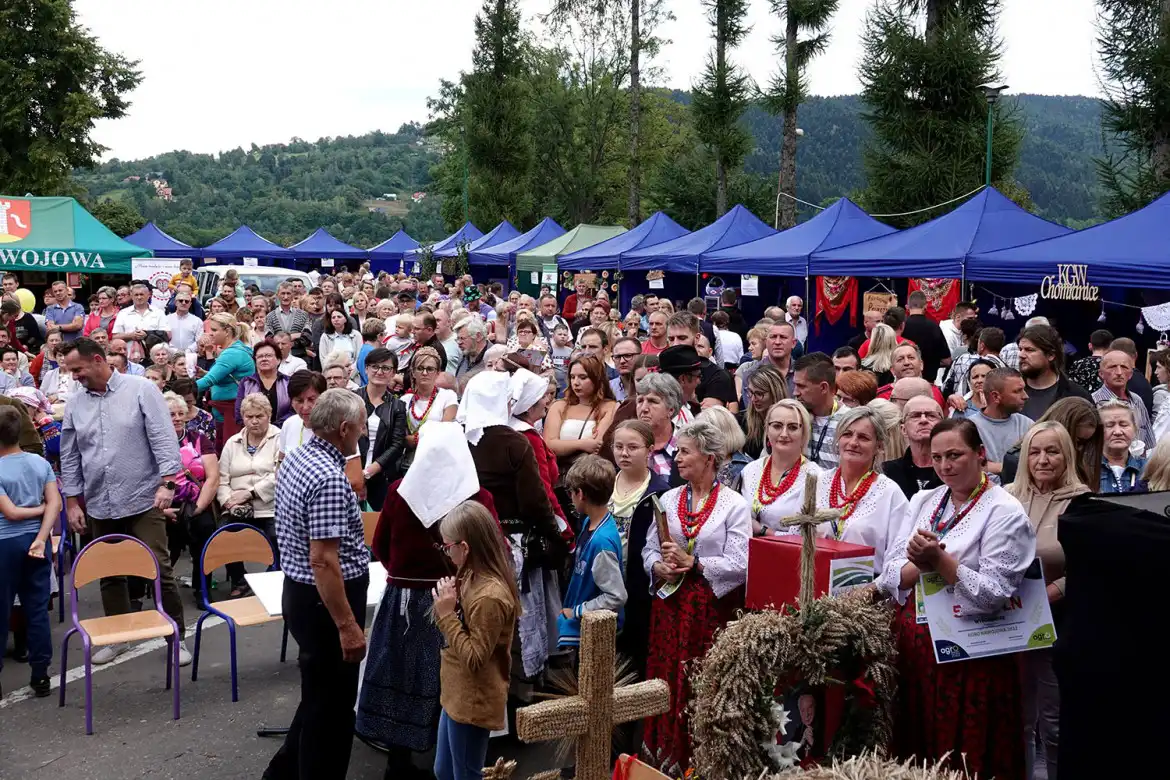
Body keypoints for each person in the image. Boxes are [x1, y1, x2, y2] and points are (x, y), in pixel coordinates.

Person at [879, 418, 1035, 780]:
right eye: (936, 458)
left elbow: (993, 594)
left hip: (971, 654)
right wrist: (918, 566)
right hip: (917, 645)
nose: (945, 466)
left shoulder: (1003, 511)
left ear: (980, 455)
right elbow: (891, 572)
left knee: (965, 751)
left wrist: (940, 561)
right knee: (916, 743)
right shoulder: (925, 500)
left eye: (955, 455)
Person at [358, 422, 496, 779]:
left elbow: (381, 547)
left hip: (405, 599)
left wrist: (405, 575)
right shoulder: (477, 497)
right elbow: (491, 549)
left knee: (402, 676)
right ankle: (445, 758)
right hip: (456, 597)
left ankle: (400, 759)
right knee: (450, 675)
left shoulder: (398, 491)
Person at [60, 338, 189, 666]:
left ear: (99, 361)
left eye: (78, 369)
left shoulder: (140, 390)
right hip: (100, 501)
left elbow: (163, 436)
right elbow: (70, 456)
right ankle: (120, 638)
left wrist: (168, 484)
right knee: (110, 571)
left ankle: (176, 636)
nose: (74, 376)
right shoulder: (75, 403)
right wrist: (73, 503)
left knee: (158, 567)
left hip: (145, 497)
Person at [265, 389, 371, 780]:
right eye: (359, 428)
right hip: (325, 602)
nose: (361, 435)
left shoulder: (298, 458)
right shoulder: (328, 476)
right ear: (343, 429)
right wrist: (347, 626)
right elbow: (324, 560)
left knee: (318, 698)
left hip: (303, 594)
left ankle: (280, 775)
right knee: (332, 713)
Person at [641, 419, 751, 775]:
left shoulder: (734, 505)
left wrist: (696, 563)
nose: (677, 458)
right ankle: (661, 758)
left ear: (709, 458)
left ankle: (698, 763)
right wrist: (658, 567)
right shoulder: (670, 500)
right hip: (670, 607)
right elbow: (649, 548)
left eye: (685, 451)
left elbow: (741, 563)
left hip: (709, 612)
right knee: (665, 677)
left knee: (700, 680)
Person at [460, 370, 563, 680]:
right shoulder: (513, 442)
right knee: (517, 616)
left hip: (470, 539)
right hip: (512, 542)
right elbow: (534, 500)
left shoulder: (461, 437)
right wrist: (554, 535)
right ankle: (518, 685)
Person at [1007, 422, 1090, 780]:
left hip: (1055, 625)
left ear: (1066, 456)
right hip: (1004, 622)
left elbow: (1091, 567)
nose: (1043, 460)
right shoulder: (1007, 496)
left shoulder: (1083, 502)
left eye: (1052, 451)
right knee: (1015, 718)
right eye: (1035, 451)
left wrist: (1050, 592)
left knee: (1054, 722)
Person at [431, 501, 519, 780]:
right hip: (457, 694)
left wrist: (446, 615)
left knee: (466, 774)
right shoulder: (470, 575)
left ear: (465, 548)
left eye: (448, 547)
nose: (446, 553)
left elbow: (475, 658)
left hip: (473, 700)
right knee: (444, 771)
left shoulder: (489, 597)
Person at [0, 406, 60, 698]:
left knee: (1, 610)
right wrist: (41, 534)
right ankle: (41, 675)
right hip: (36, 541)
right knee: (36, 609)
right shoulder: (39, 463)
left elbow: (10, 513)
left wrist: (36, 511)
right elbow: (55, 503)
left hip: (4, 543)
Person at [811, 405, 910, 573]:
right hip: (815, 582)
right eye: (847, 434)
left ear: (879, 446)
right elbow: (797, 537)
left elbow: (899, 556)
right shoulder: (818, 483)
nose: (853, 443)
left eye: (863, 437)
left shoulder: (889, 492)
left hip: (865, 590)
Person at [608, 419, 671, 675]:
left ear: (649, 450)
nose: (624, 453)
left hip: (636, 587)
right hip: (602, 583)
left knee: (633, 659)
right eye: (618, 446)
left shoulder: (660, 492)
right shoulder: (604, 484)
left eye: (632, 447)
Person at [557, 455, 626, 648]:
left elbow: (616, 596)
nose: (570, 497)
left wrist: (578, 611)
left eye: (571, 492)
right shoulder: (590, 522)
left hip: (594, 634)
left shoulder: (601, 543)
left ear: (580, 494)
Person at [218, 392, 280, 597]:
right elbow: (222, 478)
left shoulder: (278, 438)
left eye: (259, 416)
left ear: (268, 416)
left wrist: (251, 493)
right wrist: (229, 502)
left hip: (269, 506)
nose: (254, 421)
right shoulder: (232, 442)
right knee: (225, 534)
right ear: (243, 417)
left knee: (276, 535)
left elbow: (279, 474)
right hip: (237, 506)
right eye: (249, 416)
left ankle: (274, 576)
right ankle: (239, 579)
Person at [162, 391, 219, 608]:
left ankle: (202, 589)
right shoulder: (153, 443)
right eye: (170, 414)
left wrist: (199, 507)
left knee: (204, 538)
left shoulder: (199, 439)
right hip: (165, 506)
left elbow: (213, 477)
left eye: (179, 413)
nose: (176, 418)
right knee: (166, 548)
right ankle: (158, 591)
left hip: (196, 503)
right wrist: (160, 510)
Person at [739, 399, 821, 537]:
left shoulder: (815, 476)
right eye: (777, 426)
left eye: (793, 427)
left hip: (788, 555)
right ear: (767, 429)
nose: (784, 434)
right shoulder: (750, 470)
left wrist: (763, 530)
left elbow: (806, 536)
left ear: (804, 433)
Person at [544, 353, 618, 475]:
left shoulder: (609, 406)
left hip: (591, 475)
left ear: (596, 379)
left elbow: (596, 445)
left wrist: (564, 446)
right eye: (572, 377)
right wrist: (582, 444)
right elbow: (549, 445)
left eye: (583, 377)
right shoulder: (559, 406)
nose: (576, 382)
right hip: (560, 476)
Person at [355, 348, 407, 511]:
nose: (379, 371)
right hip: (351, 472)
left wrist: (369, 472)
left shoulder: (398, 405)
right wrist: (357, 474)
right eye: (374, 366)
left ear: (393, 373)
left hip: (382, 476)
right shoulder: (351, 398)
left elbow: (397, 444)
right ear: (366, 369)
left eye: (386, 368)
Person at [197, 313, 256, 448]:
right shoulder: (234, 350)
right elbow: (225, 376)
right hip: (226, 412)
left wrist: (179, 390)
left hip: (230, 414)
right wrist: (205, 373)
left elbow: (208, 381)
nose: (210, 334)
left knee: (229, 455)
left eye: (214, 330)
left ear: (227, 332)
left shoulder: (232, 353)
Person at [399, 346, 459, 472]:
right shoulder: (405, 400)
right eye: (420, 368)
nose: (425, 373)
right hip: (409, 464)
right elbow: (400, 437)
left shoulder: (447, 396)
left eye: (430, 369)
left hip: (437, 464)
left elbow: (444, 433)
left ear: (438, 372)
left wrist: (414, 439)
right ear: (413, 372)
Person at [1017, 323, 1091, 420]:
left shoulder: (1076, 395)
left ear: (1051, 355)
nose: (1021, 355)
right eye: (1020, 349)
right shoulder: (1009, 391)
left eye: (1029, 350)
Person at [970, 367, 1034, 477]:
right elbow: (967, 465)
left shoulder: (1027, 425)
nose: (1025, 396)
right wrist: (1008, 466)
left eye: (1023, 389)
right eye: (1017, 391)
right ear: (995, 396)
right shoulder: (969, 427)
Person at [882, 395, 946, 500]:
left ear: (943, 426)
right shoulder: (887, 472)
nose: (923, 420)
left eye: (931, 415)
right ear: (903, 429)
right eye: (915, 416)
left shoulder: (955, 471)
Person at [1092, 349, 1156, 450]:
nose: (1119, 372)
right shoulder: (1093, 402)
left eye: (1124, 367)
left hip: (1138, 463)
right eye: (1112, 367)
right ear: (1101, 374)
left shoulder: (1137, 400)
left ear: (1130, 374)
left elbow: (1149, 442)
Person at [794, 353, 846, 470]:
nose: (795, 392)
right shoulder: (794, 416)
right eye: (795, 385)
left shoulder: (849, 422)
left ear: (823, 387)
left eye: (801, 386)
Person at [636, 372, 685, 486]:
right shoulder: (625, 444)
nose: (644, 408)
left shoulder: (686, 445)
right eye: (640, 401)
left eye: (652, 401)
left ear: (671, 409)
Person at [235, 339, 293, 428]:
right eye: (260, 356)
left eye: (268, 356)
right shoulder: (246, 383)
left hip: (282, 432)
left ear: (278, 360)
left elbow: (293, 411)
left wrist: (273, 428)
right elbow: (239, 412)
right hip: (253, 431)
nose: (264, 359)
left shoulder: (288, 382)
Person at [739, 364, 789, 459]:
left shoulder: (791, 421)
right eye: (750, 392)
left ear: (775, 392)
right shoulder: (743, 421)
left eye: (759, 394)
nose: (753, 399)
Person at [112, 282, 169, 364]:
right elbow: (115, 336)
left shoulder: (158, 312)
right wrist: (131, 336)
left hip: (154, 359)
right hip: (129, 359)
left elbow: (168, 334)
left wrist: (147, 334)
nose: (139, 297)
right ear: (131, 296)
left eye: (142, 294)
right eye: (136, 295)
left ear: (148, 295)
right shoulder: (123, 313)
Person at [1098, 399, 1146, 494]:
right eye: (1109, 425)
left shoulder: (1146, 469)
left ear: (1135, 429)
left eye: (1123, 425)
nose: (1118, 432)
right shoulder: (1087, 469)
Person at [902, 290, 951, 379]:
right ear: (925, 306)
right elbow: (947, 361)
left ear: (908, 307)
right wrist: (932, 364)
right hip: (928, 382)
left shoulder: (901, 327)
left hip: (904, 381)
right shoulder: (934, 327)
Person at [279, 370, 328, 458]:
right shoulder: (289, 424)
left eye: (311, 399)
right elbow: (281, 462)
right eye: (299, 401)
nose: (305, 407)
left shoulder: (337, 429)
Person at [1068, 328, 1113, 393]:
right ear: (1111, 346)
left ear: (1090, 346)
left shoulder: (1078, 364)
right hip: (1107, 402)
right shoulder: (1114, 365)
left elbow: (1070, 388)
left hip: (1081, 402)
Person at [454, 316, 490, 395]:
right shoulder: (464, 355)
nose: (459, 342)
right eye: (458, 338)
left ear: (478, 336)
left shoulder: (494, 358)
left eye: (462, 338)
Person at [609, 336, 642, 402]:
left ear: (640, 356)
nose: (622, 361)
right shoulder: (608, 388)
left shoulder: (652, 386)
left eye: (628, 355)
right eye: (617, 357)